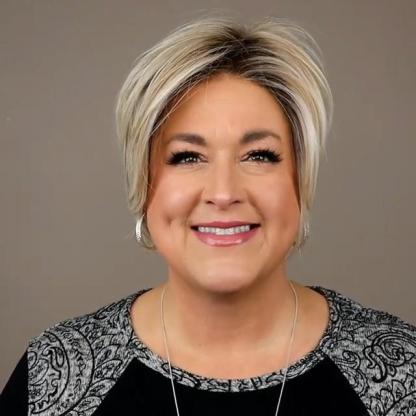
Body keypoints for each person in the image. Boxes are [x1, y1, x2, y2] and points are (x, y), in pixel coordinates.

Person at [1, 15, 415, 416]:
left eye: (258, 155)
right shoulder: (54, 377)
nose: (223, 192)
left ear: (299, 179)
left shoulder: (403, 372)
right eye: (187, 157)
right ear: (144, 183)